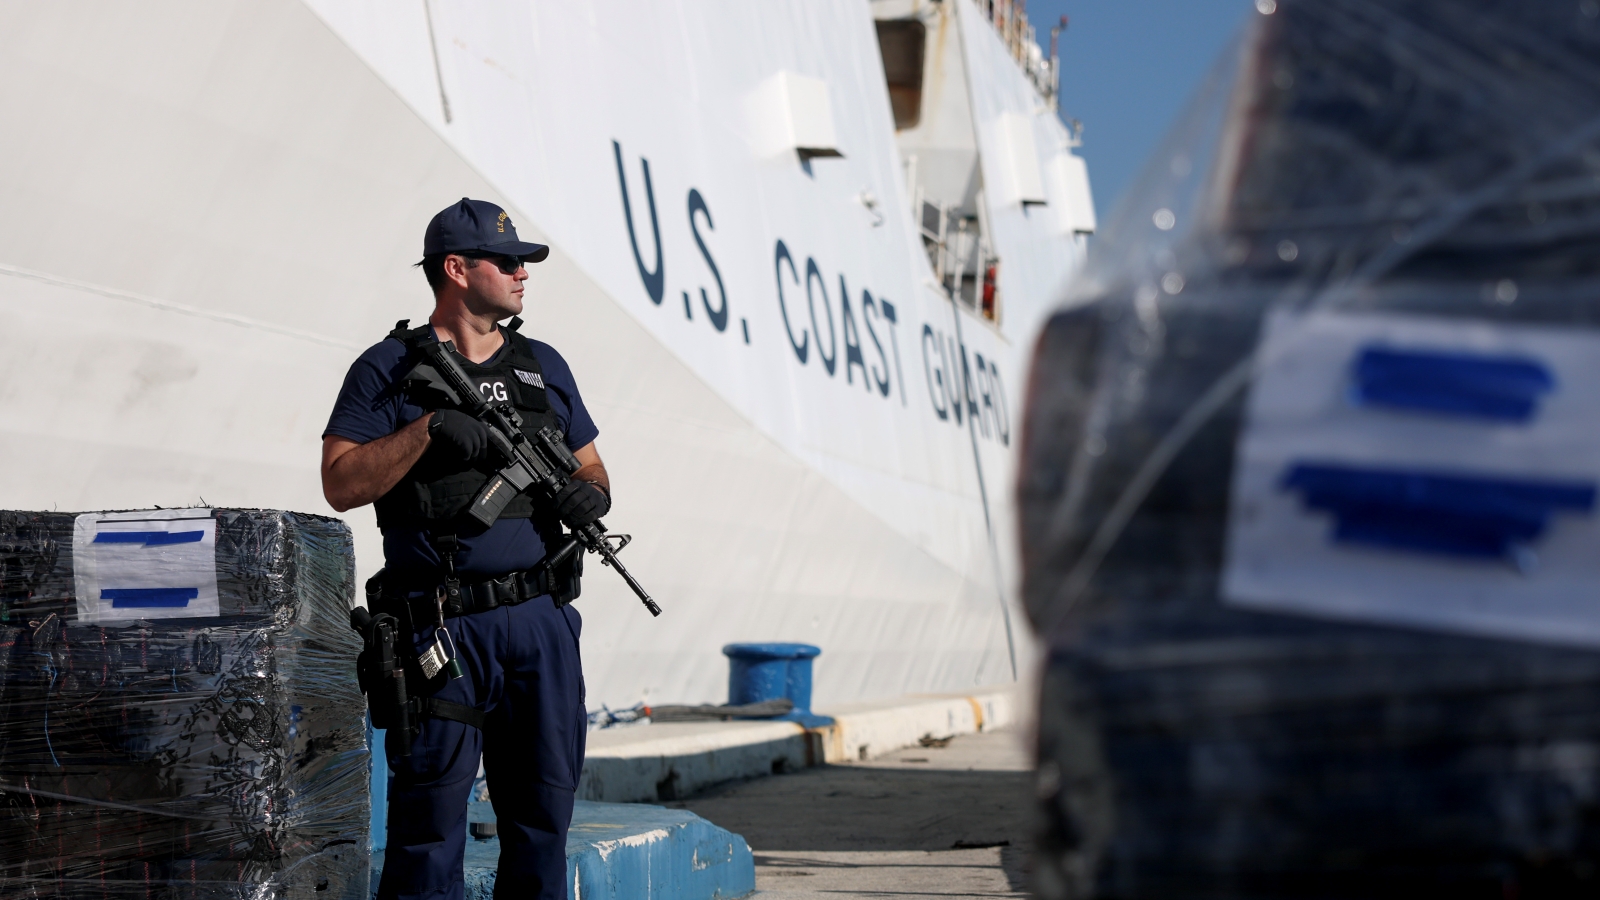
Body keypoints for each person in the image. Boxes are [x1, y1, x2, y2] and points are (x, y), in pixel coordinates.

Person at [321, 197, 610, 900]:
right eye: (507, 262)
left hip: (540, 620)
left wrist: (590, 497)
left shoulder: (543, 366)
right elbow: (340, 482)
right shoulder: (387, 367)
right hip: (442, 625)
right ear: (456, 269)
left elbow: (593, 467)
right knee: (428, 827)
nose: (522, 274)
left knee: (544, 818)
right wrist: (427, 432)